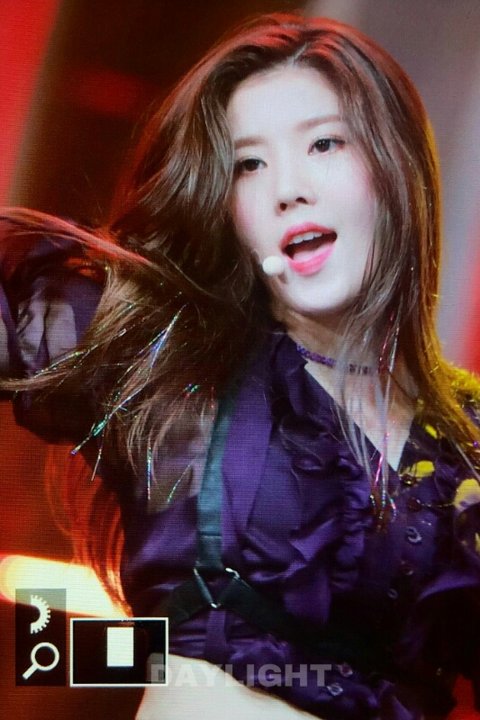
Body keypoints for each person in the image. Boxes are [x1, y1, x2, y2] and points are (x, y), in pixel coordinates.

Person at [1, 11, 480, 720]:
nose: (287, 188)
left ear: (395, 166)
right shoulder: (176, 356)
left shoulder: (467, 443)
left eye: (323, 143)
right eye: (248, 164)